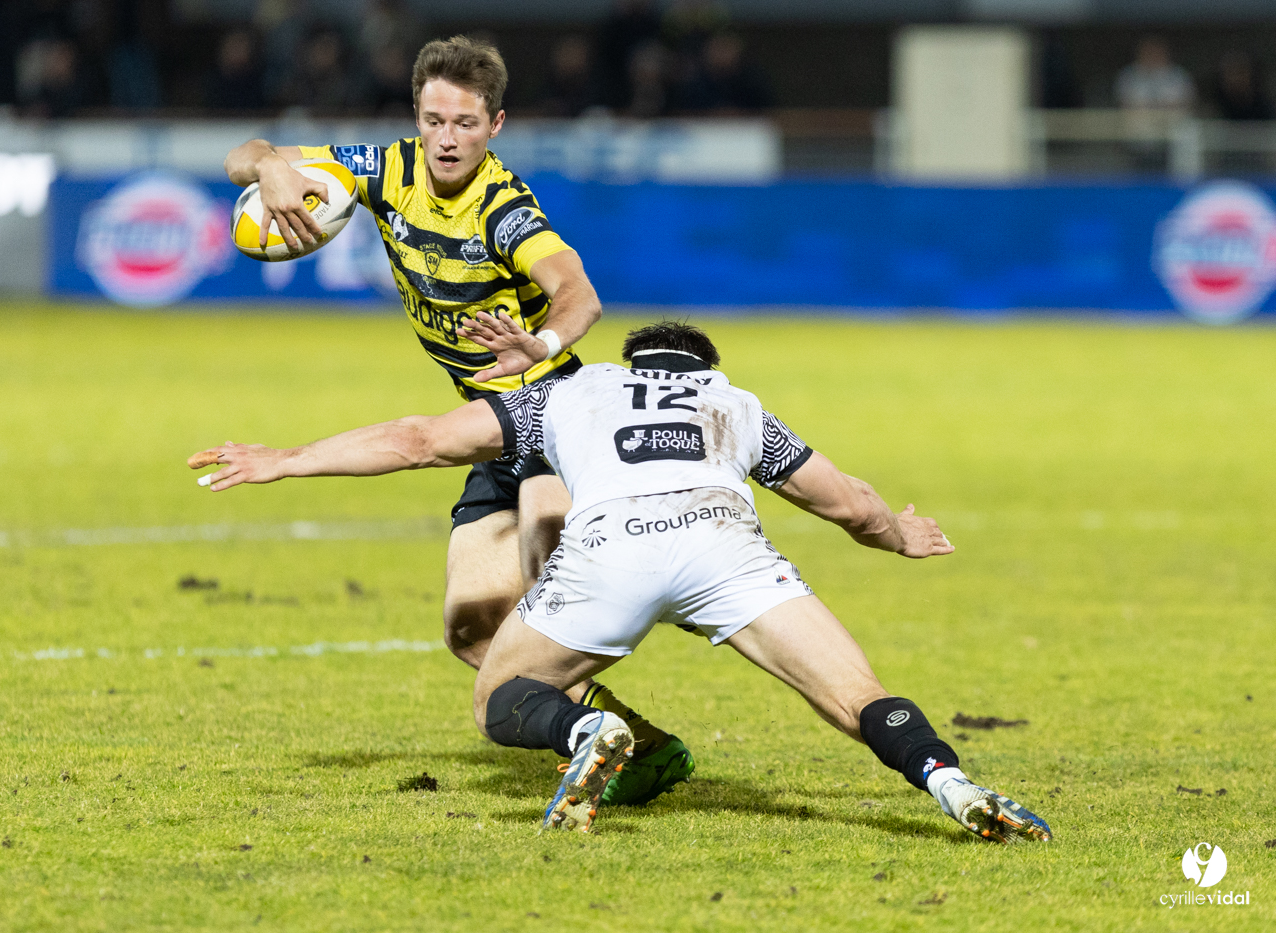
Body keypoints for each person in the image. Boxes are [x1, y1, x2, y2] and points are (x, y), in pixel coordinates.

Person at [188, 320, 1053, 842]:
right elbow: (850, 504)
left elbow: (419, 438)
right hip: (726, 551)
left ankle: (588, 729)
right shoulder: (734, 401)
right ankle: (952, 783)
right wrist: (902, 535)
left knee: (500, 691)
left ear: (637, 360)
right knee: (856, 695)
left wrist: (288, 460)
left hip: (612, 553)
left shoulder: (570, 390)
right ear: (701, 367)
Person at [221, 36, 694, 807]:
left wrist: (538, 343)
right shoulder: (386, 169)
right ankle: (638, 748)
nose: (448, 138)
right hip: (488, 427)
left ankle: (664, 616)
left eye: (466, 124)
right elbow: (242, 153)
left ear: (495, 125)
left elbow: (579, 294)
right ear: (417, 116)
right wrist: (274, 165)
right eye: (435, 119)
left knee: (551, 607)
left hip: (553, 422)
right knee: (473, 635)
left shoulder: (505, 209)